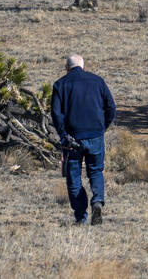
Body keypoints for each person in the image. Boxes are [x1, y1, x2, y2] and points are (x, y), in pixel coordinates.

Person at [50, 55, 116, 225]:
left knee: (73, 178)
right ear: (83, 67)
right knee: (95, 171)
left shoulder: (60, 84)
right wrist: (103, 128)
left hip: (72, 139)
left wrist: (63, 135)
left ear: (67, 68)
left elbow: (56, 114)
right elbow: (111, 107)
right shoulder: (97, 81)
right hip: (95, 136)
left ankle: (81, 217)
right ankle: (97, 201)